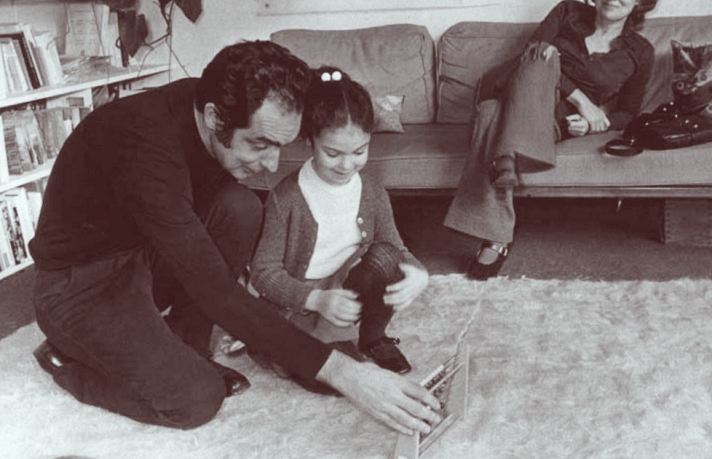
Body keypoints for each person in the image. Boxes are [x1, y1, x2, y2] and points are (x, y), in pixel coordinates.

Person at [29, 40, 441, 434]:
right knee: (195, 400)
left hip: (147, 252)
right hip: (82, 286)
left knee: (240, 207)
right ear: (214, 118)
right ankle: (67, 360)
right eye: (260, 144)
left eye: (280, 146)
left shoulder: (210, 101)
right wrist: (345, 373)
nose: (271, 164)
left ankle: (188, 345)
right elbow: (216, 291)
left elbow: (209, 273)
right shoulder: (142, 147)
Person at [444, 0, 664, 279]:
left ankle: (498, 225)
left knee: (489, 115)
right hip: (512, 89)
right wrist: (584, 102)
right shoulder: (567, 12)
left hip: (548, 120)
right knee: (544, 55)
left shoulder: (641, 52)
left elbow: (628, 112)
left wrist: (593, 124)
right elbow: (532, 56)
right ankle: (507, 163)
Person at [249, 67, 429, 390]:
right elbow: (263, 273)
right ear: (309, 141)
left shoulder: (372, 190)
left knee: (387, 257)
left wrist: (419, 273)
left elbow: (396, 248)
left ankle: (372, 338)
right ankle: (302, 344)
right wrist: (316, 300)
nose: (347, 165)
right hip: (303, 304)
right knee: (339, 381)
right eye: (332, 153)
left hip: (348, 291)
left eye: (359, 152)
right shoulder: (285, 197)